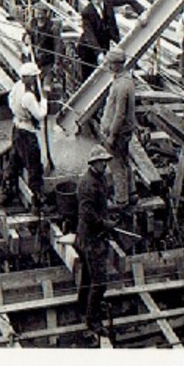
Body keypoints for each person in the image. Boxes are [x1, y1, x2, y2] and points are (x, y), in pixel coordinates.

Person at [75, 145, 117, 343]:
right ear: (93, 163)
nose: (105, 165)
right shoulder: (88, 184)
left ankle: (83, 307)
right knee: (99, 283)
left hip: (87, 236)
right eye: (102, 162)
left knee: (87, 277)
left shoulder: (97, 178)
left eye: (106, 161)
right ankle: (93, 322)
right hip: (91, 239)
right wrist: (105, 223)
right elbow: (86, 213)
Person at [3, 61, 48, 212]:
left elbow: (10, 102)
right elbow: (40, 115)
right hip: (27, 133)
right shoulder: (28, 96)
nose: (36, 80)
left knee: (14, 162)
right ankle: (37, 201)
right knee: (34, 167)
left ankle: (7, 193)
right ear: (28, 78)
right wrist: (45, 101)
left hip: (16, 128)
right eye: (34, 77)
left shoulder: (17, 87)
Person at [98, 45, 137, 206]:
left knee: (116, 166)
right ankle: (132, 192)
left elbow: (120, 114)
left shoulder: (122, 86)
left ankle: (122, 199)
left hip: (118, 133)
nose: (108, 66)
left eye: (110, 64)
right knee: (125, 162)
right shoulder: (125, 80)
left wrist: (112, 136)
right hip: (124, 132)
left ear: (117, 64)